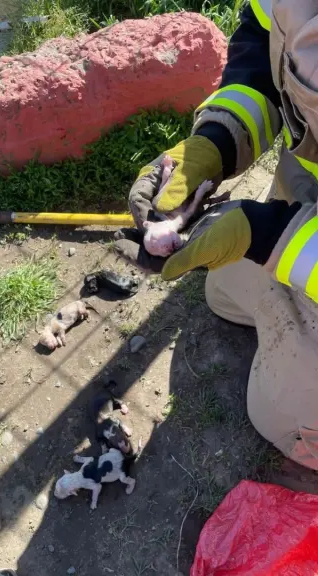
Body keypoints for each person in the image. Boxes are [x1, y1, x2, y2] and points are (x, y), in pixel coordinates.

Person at [118, 0, 318, 471]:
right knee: (223, 290)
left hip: (295, 234)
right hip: (302, 207)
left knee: (281, 415)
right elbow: (263, 62)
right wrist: (214, 143)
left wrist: (269, 236)